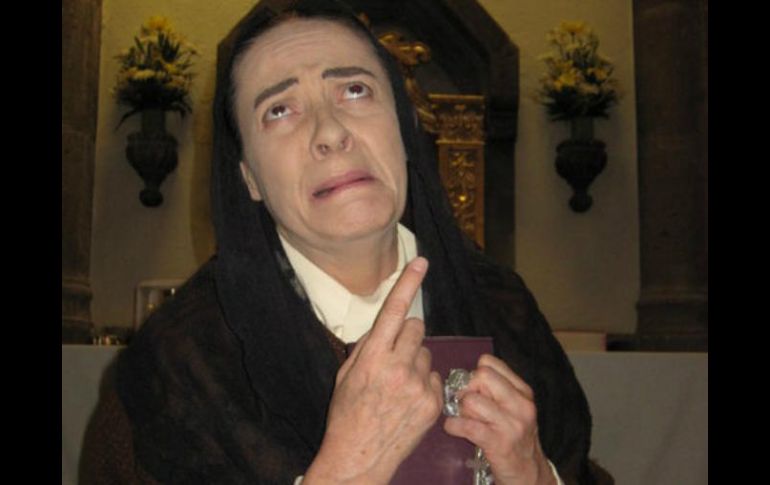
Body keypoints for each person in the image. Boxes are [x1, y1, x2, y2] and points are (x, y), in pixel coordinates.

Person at [80, 1, 611, 484]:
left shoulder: (505, 307)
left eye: (355, 90)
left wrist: (536, 477)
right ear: (249, 178)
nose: (330, 132)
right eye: (279, 109)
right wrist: (343, 473)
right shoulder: (178, 364)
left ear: (403, 127)